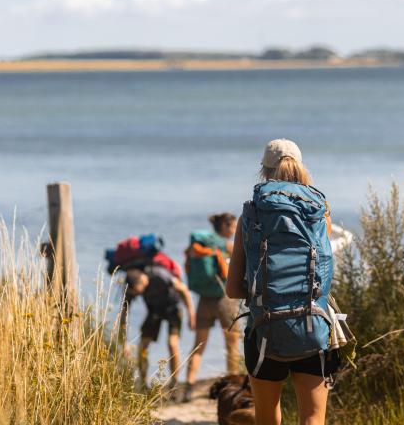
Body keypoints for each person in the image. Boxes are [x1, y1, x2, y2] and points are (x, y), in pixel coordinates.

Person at [226, 139, 340, 425]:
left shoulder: (250, 215)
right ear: (301, 168)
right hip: (313, 327)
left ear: (264, 172)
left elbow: (232, 289)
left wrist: (260, 294)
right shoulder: (320, 213)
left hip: (264, 330)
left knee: (266, 419)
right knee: (312, 418)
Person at [184, 213, 242, 402]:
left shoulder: (199, 245)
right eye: (232, 227)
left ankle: (189, 387)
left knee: (198, 346)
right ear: (224, 227)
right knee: (232, 343)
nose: (234, 231)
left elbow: (187, 261)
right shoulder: (225, 245)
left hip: (203, 300)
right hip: (224, 299)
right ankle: (233, 384)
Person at [121, 264, 196, 392]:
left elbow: (183, 289)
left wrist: (191, 314)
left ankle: (174, 382)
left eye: (138, 291)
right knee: (143, 346)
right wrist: (124, 342)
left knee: (172, 344)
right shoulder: (131, 287)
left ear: (141, 281)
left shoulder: (159, 275)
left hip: (173, 308)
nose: (138, 294)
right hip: (154, 311)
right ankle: (144, 384)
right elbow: (124, 314)